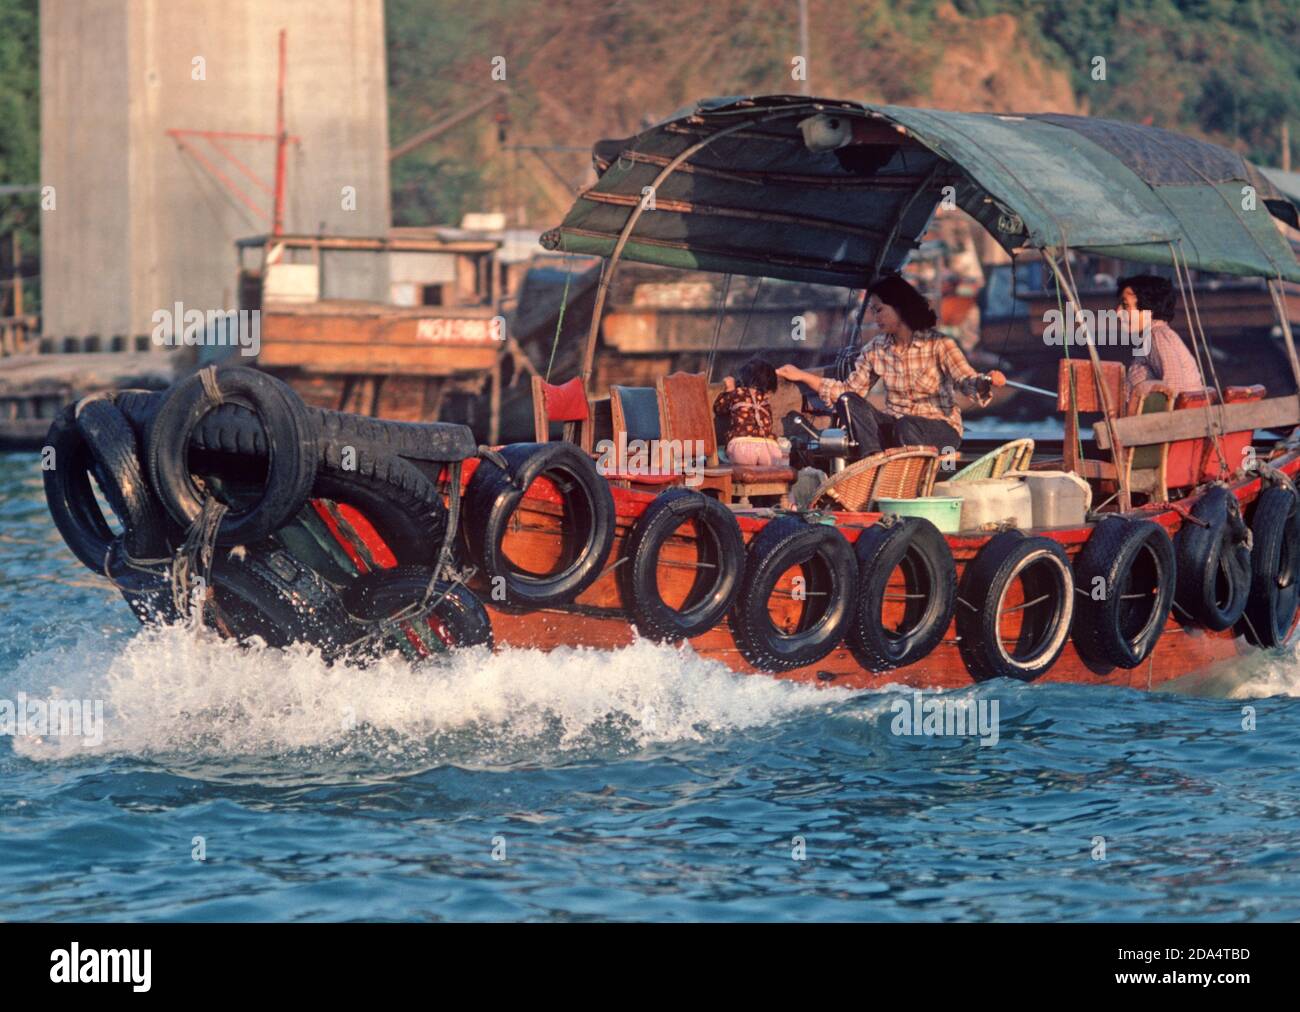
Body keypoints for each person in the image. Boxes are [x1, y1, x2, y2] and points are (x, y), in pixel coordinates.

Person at [776, 275, 1005, 457]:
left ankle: (902, 464)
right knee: (848, 401)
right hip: (897, 430)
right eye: (873, 311)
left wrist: (986, 381)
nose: (875, 317)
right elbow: (851, 392)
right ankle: (873, 459)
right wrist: (802, 375)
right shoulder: (875, 349)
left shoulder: (939, 344)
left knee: (906, 426)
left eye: (879, 309)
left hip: (940, 430)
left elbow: (965, 380)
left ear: (900, 307)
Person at [1118, 274, 1203, 395]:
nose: (1118, 312)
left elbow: (1173, 386)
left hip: (1175, 414)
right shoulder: (1157, 335)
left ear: (1148, 308)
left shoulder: (1156, 336)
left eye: (1125, 305)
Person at [714, 358, 785, 466]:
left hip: (742, 447)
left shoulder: (737, 392)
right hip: (770, 448)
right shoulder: (765, 402)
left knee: (721, 454)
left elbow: (719, 408)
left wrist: (729, 389)